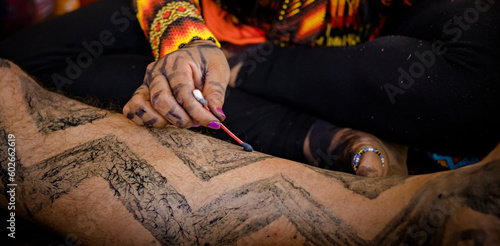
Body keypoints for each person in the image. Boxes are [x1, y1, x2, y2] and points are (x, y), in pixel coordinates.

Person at [1, 0, 499, 176]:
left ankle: (239, 71)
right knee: (21, 64)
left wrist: (223, 62)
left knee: (471, 91)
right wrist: (179, 33)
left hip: (404, 6)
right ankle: (312, 133)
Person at [1, 58, 500, 245]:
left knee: (454, 85)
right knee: (35, 69)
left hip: (376, 49)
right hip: (218, 26)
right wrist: (183, 36)